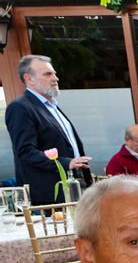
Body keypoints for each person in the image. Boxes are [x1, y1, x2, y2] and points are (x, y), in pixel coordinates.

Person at [5, 54, 92, 205]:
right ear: (29, 78)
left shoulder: (52, 106)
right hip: (51, 195)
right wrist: (66, 163)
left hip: (76, 186)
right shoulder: (20, 107)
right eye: (48, 74)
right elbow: (26, 152)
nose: (55, 78)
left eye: (54, 73)